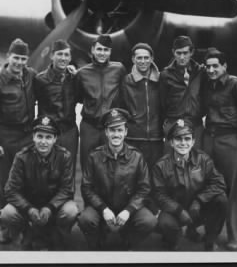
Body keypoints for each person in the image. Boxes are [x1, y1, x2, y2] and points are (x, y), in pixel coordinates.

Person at [201, 47, 237, 251]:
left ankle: (234, 235)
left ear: (224, 66)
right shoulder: (206, 84)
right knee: (209, 186)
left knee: (232, 189)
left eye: (215, 66)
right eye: (208, 66)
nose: (211, 70)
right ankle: (210, 234)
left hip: (229, 139)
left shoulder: (236, 84)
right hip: (209, 137)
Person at [0, 38, 36, 243]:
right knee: (5, 186)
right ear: (8, 57)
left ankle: (25, 227)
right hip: (6, 140)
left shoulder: (30, 75)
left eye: (23, 58)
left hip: (27, 137)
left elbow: (48, 80)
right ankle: (5, 227)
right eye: (16, 57)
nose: (19, 62)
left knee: (27, 184)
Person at [78, 108, 157, 250]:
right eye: (112, 130)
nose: (116, 134)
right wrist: (103, 209)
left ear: (126, 132)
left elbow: (144, 188)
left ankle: (128, 242)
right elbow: (86, 187)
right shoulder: (94, 156)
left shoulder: (136, 157)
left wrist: (129, 210)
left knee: (149, 221)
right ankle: (97, 245)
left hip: (127, 207)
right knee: (86, 219)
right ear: (106, 132)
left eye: (120, 130)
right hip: (102, 208)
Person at [1, 116, 79, 250]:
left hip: (54, 207)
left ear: (55, 139)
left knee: (71, 210)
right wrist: (28, 208)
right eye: (40, 136)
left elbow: (67, 189)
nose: (43, 142)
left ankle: (56, 234)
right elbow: (11, 189)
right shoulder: (22, 157)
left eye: (48, 137)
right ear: (33, 137)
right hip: (29, 206)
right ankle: (27, 233)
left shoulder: (64, 156)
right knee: (7, 213)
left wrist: (50, 207)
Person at [152, 118, 227, 251]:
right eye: (178, 139)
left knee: (221, 200)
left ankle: (210, 240)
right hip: (176, 211)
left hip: (198, 209)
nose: (183, 143)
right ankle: (171, 241)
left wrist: (199, 201)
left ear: (193, 142)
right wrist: (178, 210)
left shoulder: (203, 159)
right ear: (171, 142)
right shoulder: (161, 165)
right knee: (165, 223)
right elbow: (159, 195)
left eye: (187, 139)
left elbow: (219, 183)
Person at [120, 42, 163, 214]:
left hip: (156, 139)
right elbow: (121, 107)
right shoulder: (127, 81)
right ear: (133, 59)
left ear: (152, 59)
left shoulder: (160, 80)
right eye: (139, 58)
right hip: (134, 139)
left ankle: (151, 217)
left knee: (154, 180)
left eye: (146, 58)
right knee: (133, 179)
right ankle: (133, 217)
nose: (143, 61)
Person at [75, 35, 127, 171]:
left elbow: (124, 94)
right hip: (89, 126)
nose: (102, 53)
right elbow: (77, 97)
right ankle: (87, 192)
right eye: (99, 49)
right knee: (88, 165)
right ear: (92, 50)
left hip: (111, 125)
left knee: (112, 165)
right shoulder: (82, 73)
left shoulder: (119, 69)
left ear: (110, 52)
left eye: (106, 50)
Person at [34, 39, 78, 178]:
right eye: (60, 54)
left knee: (68, 174)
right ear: (52, 55)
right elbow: (28, 105)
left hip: (69, 132)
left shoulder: (74, 78)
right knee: (46, 173)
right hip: (49, 133)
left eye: (66, 55)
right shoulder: (40, 80)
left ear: (70, 58)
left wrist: (77, 75)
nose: (63, 58)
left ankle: (67, 200)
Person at [159, 35, 206, 150]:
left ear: (192, 52)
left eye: (185, 53)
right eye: (178, 53)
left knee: (195, 162)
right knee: (172, 162)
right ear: (173, 52)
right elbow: (161, 103)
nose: (182, 57)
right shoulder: (165, 75)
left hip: (195, 124)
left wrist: (198, 113)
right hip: (173, 123)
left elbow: (205, 97)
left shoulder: (200, 72)